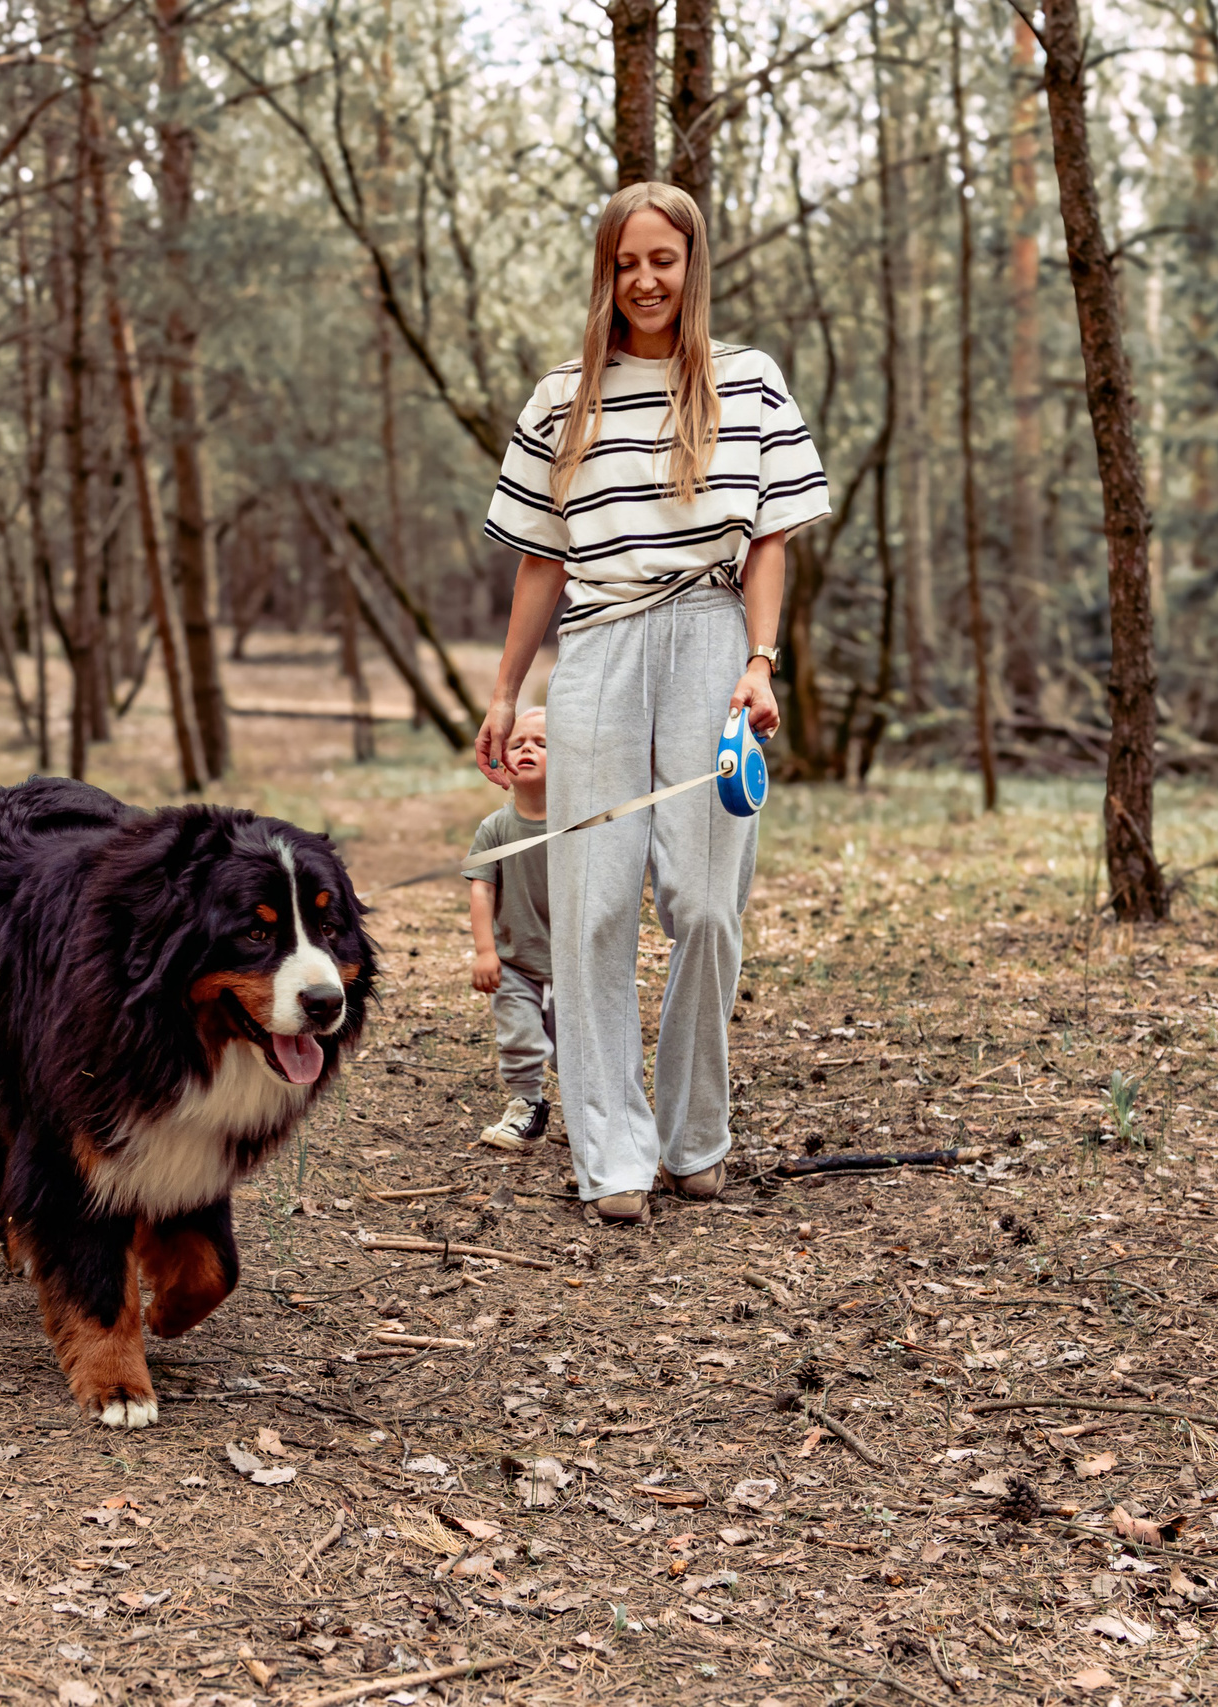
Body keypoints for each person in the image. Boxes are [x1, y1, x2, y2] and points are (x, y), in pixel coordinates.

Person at [472, 182, 830, 1223]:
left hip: (711, 639)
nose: (644, 280)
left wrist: (760, 662)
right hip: (594, 649)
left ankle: (692, 1134)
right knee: (591, 909)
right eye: (625, 262)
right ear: (606, 272)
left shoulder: (747, 382)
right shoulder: (560, 400)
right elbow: (540, 561)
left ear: (691, 264)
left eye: (662, 259)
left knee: (706, 908)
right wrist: (506, 691)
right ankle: (614, 1154)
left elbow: (768, 537)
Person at [467, 707, 558, 1150]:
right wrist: (486, 952)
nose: (528, 750)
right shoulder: (495, 828)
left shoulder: (580, 822)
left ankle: (590, 1112)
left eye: (543, 744)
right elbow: (481, 891)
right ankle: (527, 1105)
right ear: (502, 756)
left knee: (576, 1049)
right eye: (519, 743)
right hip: (514, 962)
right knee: (518, 1037)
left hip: (571, 964)